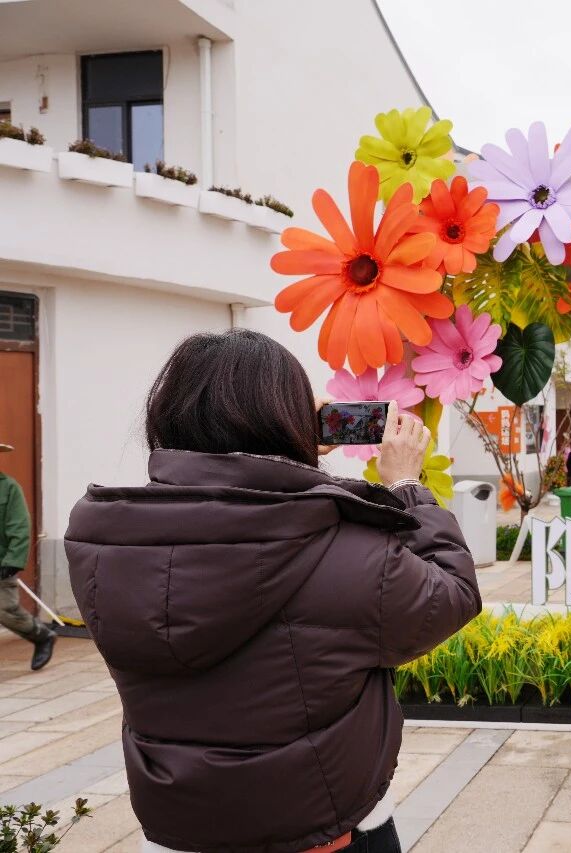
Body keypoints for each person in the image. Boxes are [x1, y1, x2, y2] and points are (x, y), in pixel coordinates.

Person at [63, 329, 481, 852]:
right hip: (323, 824)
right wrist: (405, 487)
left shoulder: (105, 540)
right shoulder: (342, 543)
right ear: (283, 419)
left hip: (178, 827)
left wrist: (293, 462)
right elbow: (453, 594)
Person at [0, 443, 56, 671]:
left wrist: (13, 560)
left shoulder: (8, 488)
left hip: (2, 561)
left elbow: (20, 526)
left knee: (4, 609)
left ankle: (41, 635)